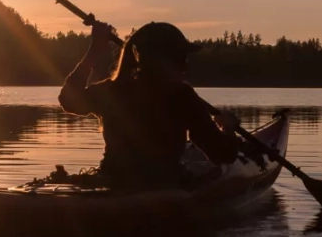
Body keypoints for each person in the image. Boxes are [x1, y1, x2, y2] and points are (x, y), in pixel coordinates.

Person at [58, 20, 250, 190]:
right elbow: (221, 153)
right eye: (181, 58)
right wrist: (227, 129)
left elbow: (68, 100)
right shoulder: (182, 95)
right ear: (167, 60)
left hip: (114, 182)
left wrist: (94, 49)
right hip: (164, 184)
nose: (184, 66)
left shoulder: (113, 90)